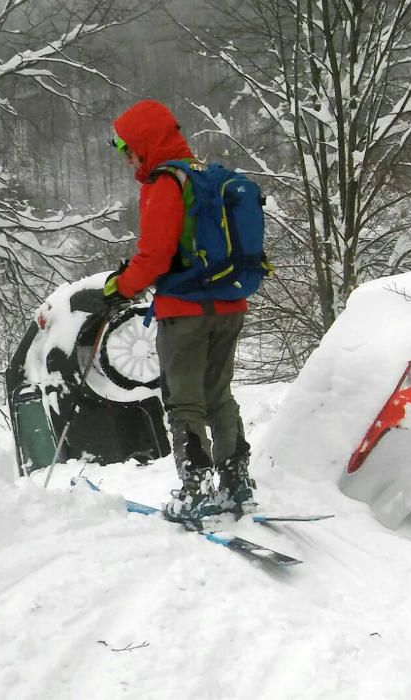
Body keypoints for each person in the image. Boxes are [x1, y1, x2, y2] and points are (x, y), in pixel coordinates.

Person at [102, 99, 255, 522]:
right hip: (229, 305)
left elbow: (154, 257)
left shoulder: (164, 183)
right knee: (218, 393)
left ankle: (195, 490)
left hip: (185, 312)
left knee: (184, 400)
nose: (127, 158)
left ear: (144, 143)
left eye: (128, 149)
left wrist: (120, 287)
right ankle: (236, 482)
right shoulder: (207, 176)